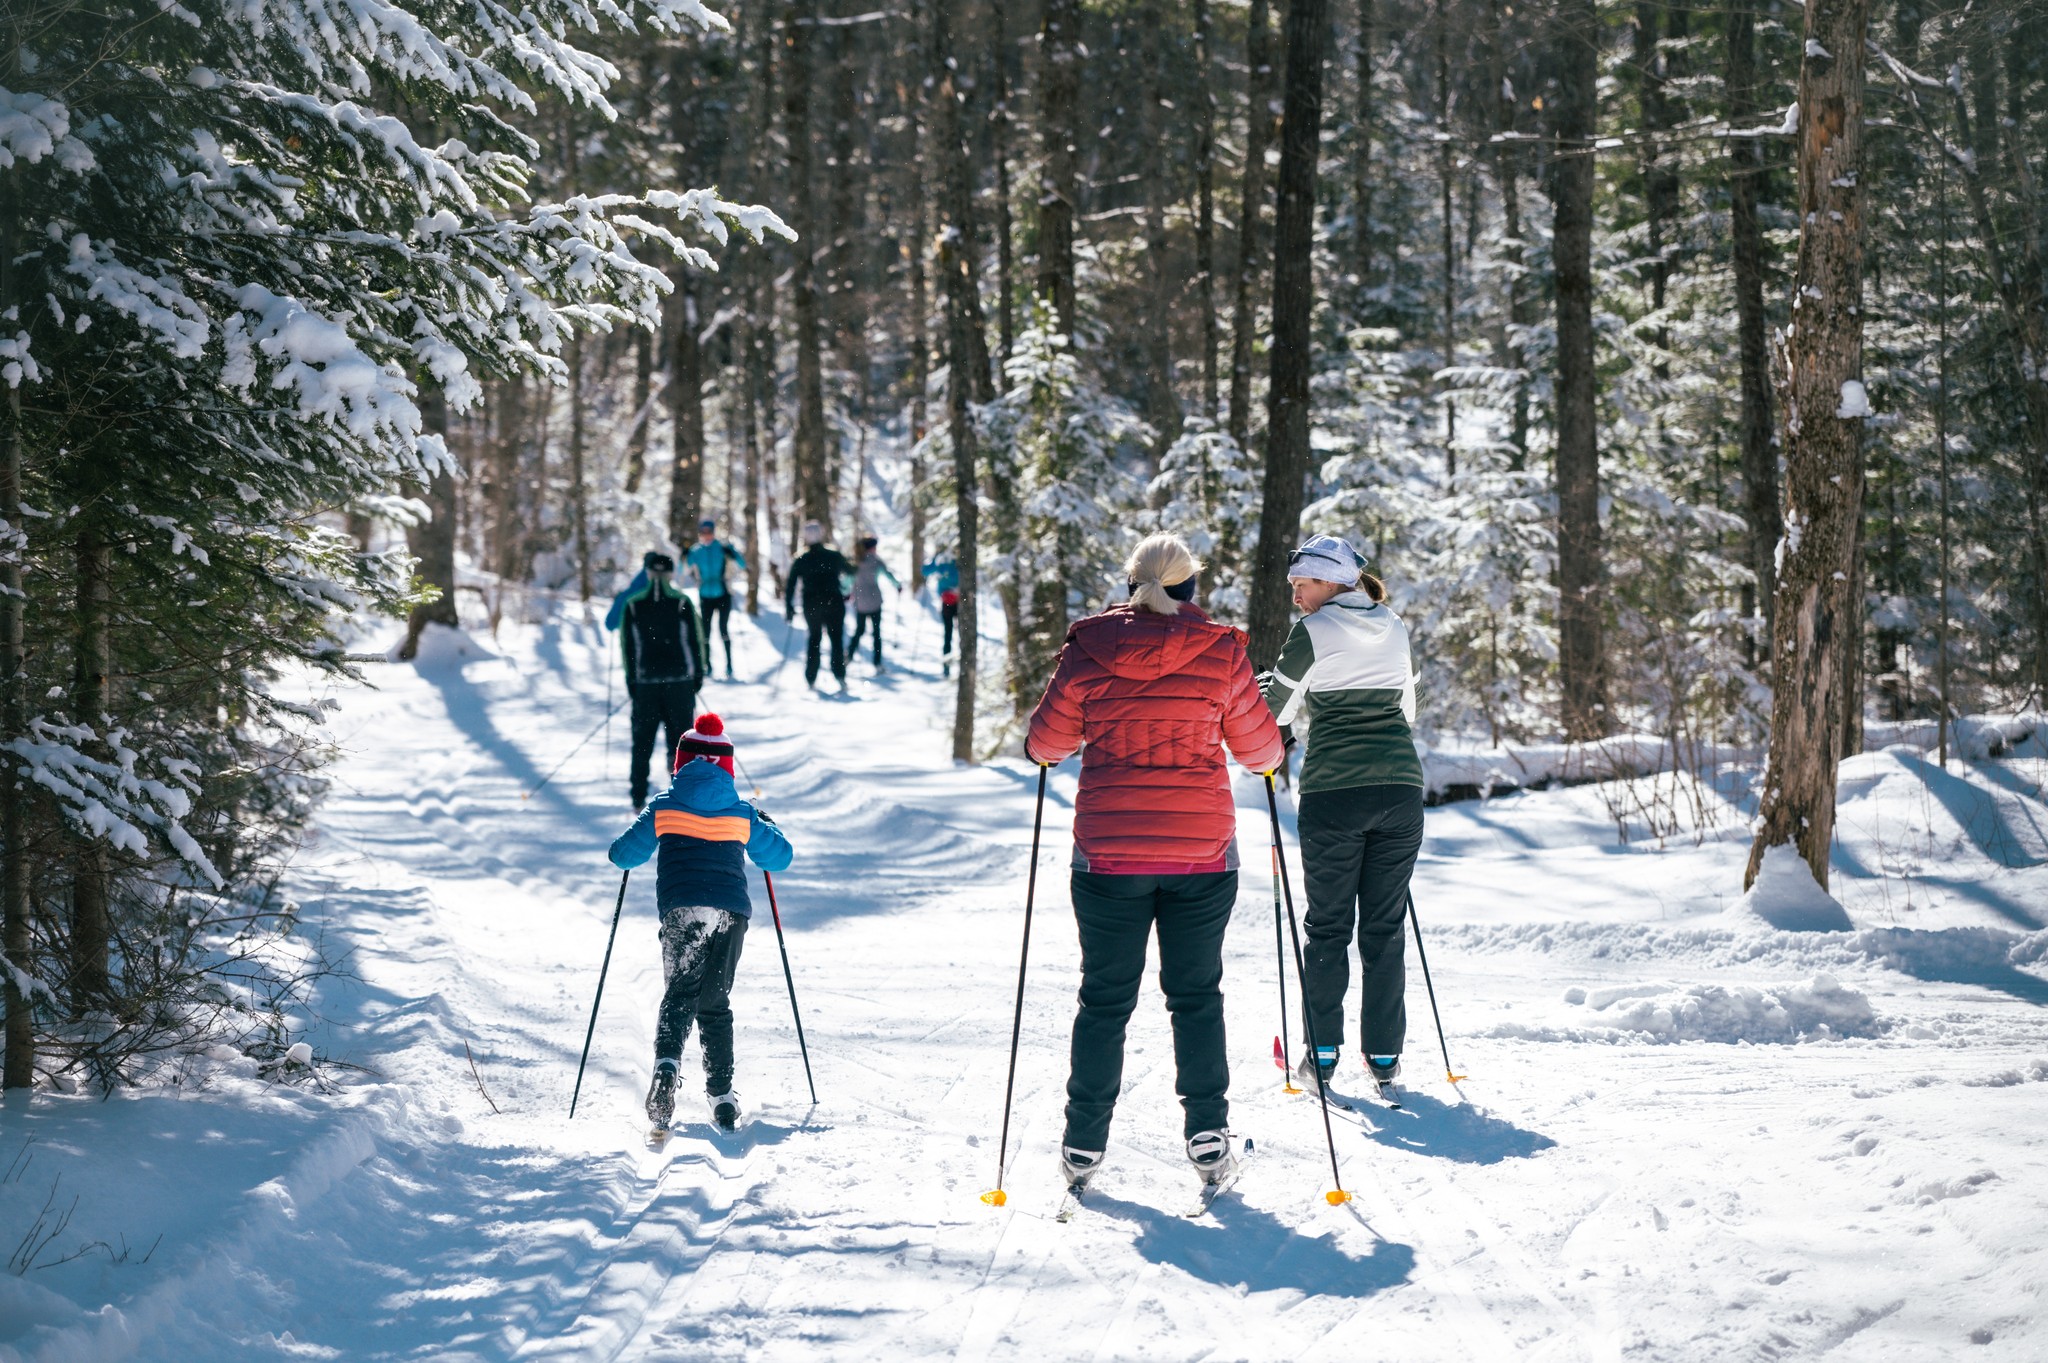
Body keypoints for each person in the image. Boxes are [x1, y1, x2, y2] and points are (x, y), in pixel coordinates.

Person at [1025, 533, 1285, 1192]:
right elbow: (1261, 752)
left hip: (1108, 855)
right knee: (1196, 996)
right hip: (1201, 854)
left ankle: (1083, 1142)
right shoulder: (1222, 652)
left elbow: (1045, 743)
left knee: (1104, 998)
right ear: (1191, 588)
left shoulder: (1090, 648)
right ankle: (1206, 1133)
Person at [1259, 533, 1424, 1096]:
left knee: (1329, 927)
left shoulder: (1311, 631)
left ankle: (1322, 1054)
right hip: (1401, 791)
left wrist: (1265, 688)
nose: (1296, 596)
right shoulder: (1395, 625)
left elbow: (1272, 711)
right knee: (1384, 928)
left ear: (1331, 581)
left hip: (1335, 793)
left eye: (1301, 585)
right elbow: (1409, 707)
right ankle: (1384, 1056)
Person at [608, 714, 793, 1133]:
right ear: (727, 766)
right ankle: (722, 1097)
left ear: (681, 762)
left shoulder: (663, 807)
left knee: (679, 994)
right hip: (731, 914)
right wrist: (768, 825)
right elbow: (779, 858)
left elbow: (622, 856)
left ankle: (667, 1069)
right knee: (714, 1002)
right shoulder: (742, 813)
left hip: (682, 911)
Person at [617, 551, 710, 809]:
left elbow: (627, 646)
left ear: (647, 573)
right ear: (671, 574)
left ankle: (638, 795)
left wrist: (632, 680)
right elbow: (696, 640)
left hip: (646, 684)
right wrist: (698, 674)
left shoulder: (633, 603)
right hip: (679, 683)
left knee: (642, 741)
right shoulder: (681, 602)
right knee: (681, 744)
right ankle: (682, 796)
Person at [783, 520, 854, 693]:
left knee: (814, 639)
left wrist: (789, 607)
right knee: (836, 639)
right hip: (834, 602)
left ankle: (811, 677)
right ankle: (839, 675)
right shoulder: (833, 555)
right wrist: (846, 590)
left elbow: (790, 584)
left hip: (812, 605)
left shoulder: (802, 559)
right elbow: (851, 571)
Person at [686, 517, 749, 679]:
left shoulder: (721, 548)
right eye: (703, 532)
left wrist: (733, 552)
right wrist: (683, 556)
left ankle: (729, 665)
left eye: (709, 532)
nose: (706, 535)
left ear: (714, 532)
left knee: (723, 629)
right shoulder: (696, 550)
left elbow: (742, 564)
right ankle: (707, 665)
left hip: (722, 593)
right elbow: (682, 570)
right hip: (705, 594)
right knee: (705, 631)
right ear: (700, 533)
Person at [846, 536, 901, 670]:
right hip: (875, 602)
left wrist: (845, 593)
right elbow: (888, 574)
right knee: (876, 633)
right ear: (871, 548)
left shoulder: (856, 562)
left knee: (859, 630)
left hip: (860, 603)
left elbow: (848, 580)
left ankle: (849, 656)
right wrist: (898, 586)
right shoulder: (876, 561)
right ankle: (877, 663)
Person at [921, 554, 960, 678]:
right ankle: (952, 666)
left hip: (949, 602)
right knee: (959, 635)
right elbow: (925, 571)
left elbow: (925, 571)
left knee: (948, 635)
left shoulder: (942, 560)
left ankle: (947, 667)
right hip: (959, 600)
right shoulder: (956, 559)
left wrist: (934, 559)